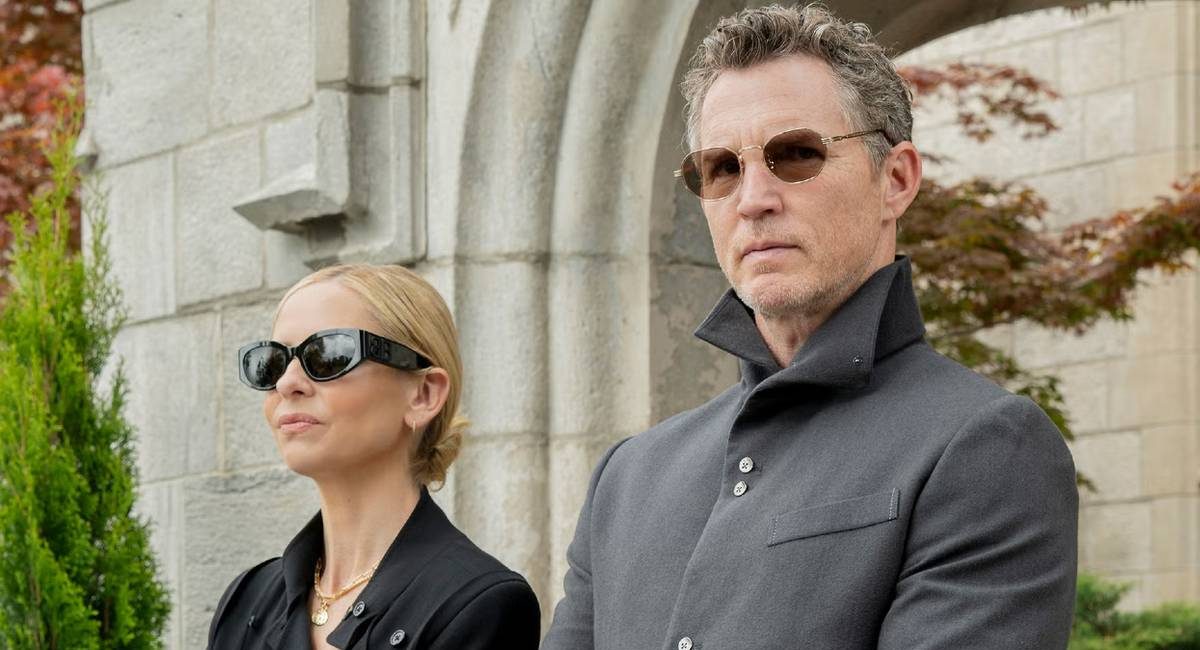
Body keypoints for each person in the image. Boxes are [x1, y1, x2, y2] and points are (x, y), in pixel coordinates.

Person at [543, 4, 1077, 649]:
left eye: (797, 155)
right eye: (723, 168)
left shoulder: (987, 448)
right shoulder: (628, 479)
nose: (753, 199)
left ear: (896, 180)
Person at [208, 264, 540, 649]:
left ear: (424, 394)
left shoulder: (476, 604)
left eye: (328, 354)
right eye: (273, 362)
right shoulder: (248, 601)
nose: (287, 383)